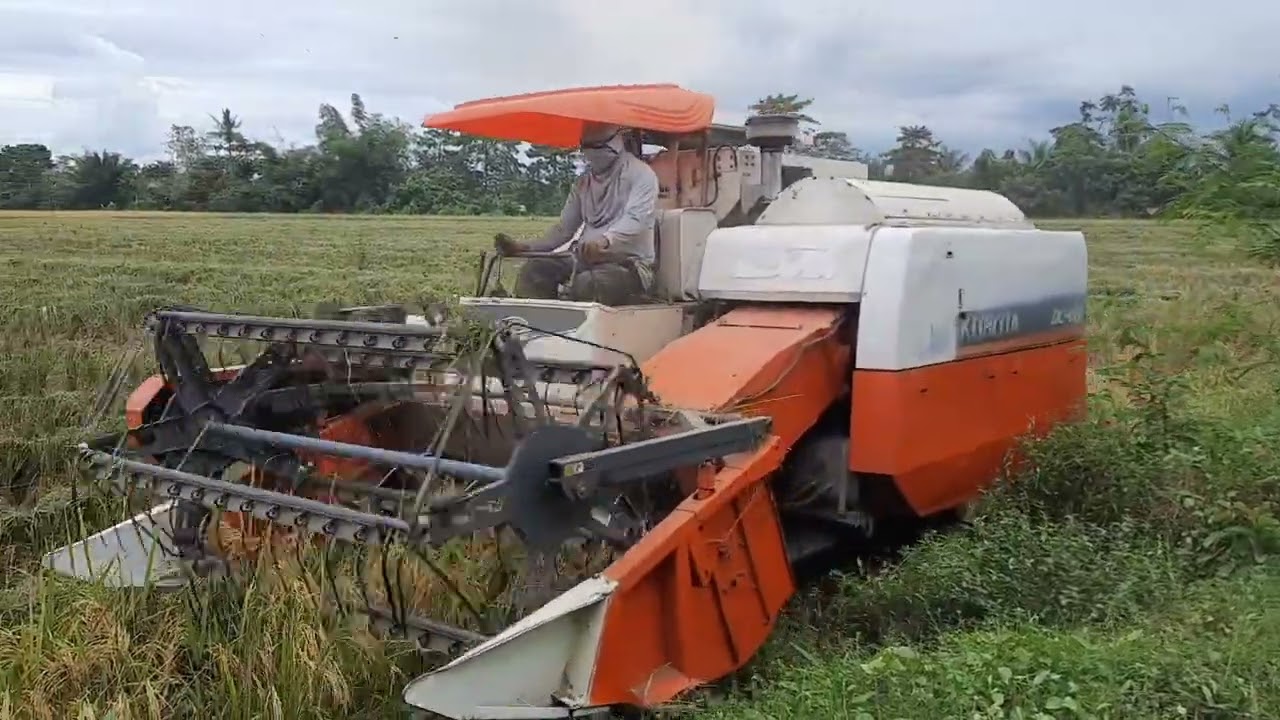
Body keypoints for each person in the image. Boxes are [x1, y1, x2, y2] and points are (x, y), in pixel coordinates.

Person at [494, 123, 659, 305]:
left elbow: (636, 219)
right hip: (582, 260)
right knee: (535, 271)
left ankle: (574, 331)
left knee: (590, 284)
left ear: (615, 143)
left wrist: (605, 241)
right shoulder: (583, 183)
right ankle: (532, 327)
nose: (592, 154)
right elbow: (564, 229)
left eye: (598, 147)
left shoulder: (642, 175)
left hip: (629, 265)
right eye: (586, 148)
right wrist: (527, 247)